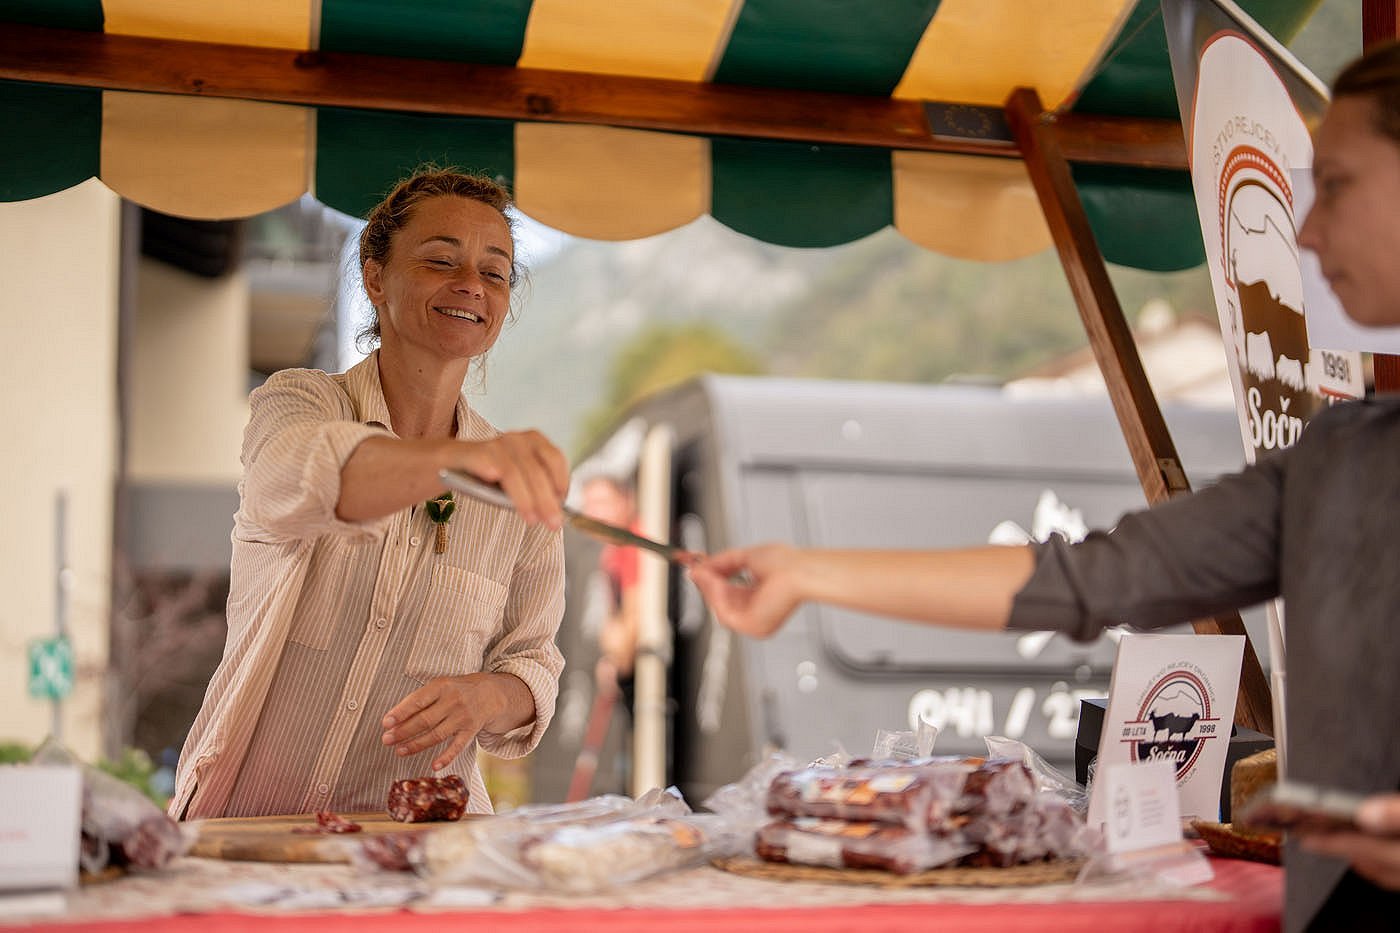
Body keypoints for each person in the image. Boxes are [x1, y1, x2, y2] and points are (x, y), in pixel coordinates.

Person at [689, 41, 1400, 933]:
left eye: (1335, 184)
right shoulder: (1344, 457)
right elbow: (1093, 576)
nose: (1306, 229)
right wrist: (803, 573)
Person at [171, 168, 570, 821]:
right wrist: (463, 459)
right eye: (441, 260)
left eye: (495, 273)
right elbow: (307, 474)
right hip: (245, 830)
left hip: (423, 845)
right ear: (376, 277)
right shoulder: (298, 402)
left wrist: (488, 697)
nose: (471, 284)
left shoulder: (514, 485)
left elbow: (532, 663)